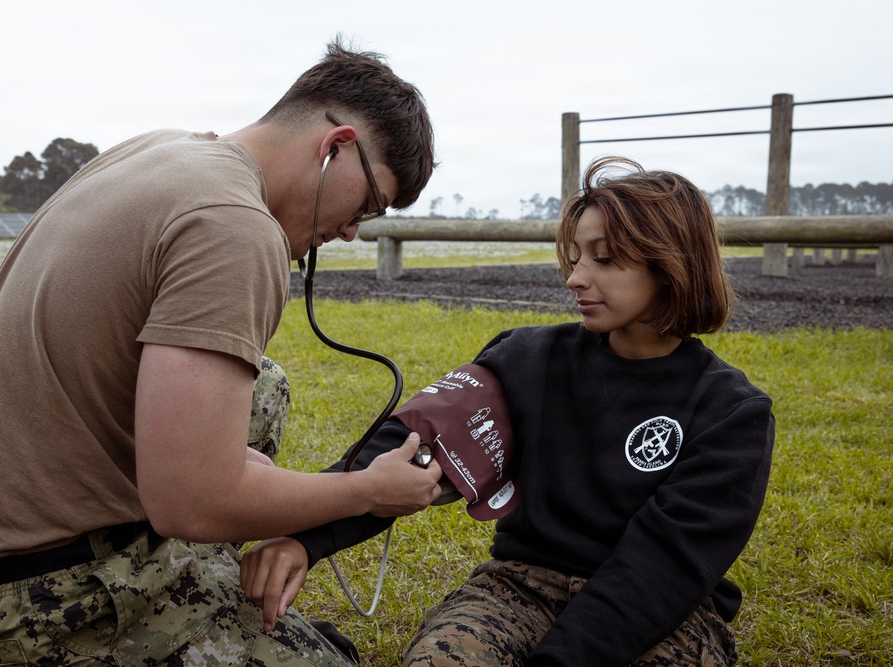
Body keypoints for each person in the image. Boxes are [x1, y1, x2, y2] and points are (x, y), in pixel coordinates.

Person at [0, 39, 444, 666]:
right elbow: (191, 502)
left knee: (262, 385)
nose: (353, 229)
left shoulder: (162, 149)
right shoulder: (236, 226)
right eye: (370, 204)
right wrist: (366, 491)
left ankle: (199, 581)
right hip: (39, 601)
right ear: (335, 147)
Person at [241, 156, 776, 666]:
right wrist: (305, 540)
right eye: (577, 257)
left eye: (605, 259)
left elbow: (661, 567)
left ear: (672, 264)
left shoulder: (733, 413)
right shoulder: (526, 358)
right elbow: (412, 445)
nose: (576, 278)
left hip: (659, 615)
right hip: (517, 585)